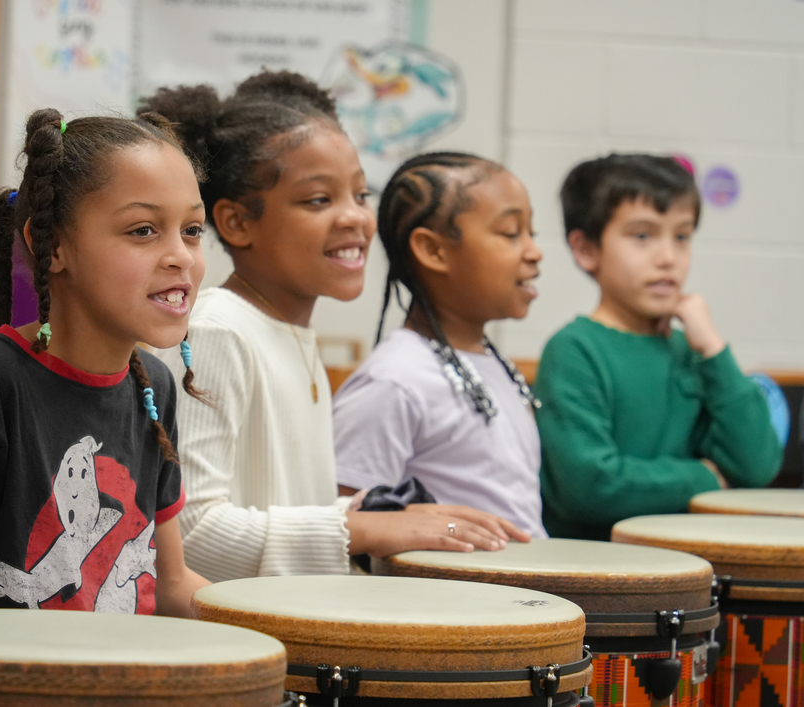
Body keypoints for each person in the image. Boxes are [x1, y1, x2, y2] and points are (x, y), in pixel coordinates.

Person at [143, 71, 527, 584]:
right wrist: (357, 529)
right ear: (237, 222)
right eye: (318, 200)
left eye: (361, 194)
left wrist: (384, 514)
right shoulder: (218, 331)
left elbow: (281, 504)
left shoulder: (288, 334)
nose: (355, 218)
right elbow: (191, 536)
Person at [0, 109, 210, 615]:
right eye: (143, 231)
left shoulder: (154, 386)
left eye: (190, 230)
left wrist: (270, 632)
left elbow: (169, 582)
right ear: (51, 245)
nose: (181, 256)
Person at [536, 153, 782, 540]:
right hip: (601, 578)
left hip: (691, 568)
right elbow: (591, 487)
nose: (668, 258)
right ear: (586, 250)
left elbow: (756, 466)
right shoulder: (574, 350)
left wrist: (714, 349)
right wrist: (703, 476)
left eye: (682, 237)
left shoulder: (692, 351)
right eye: (642, 236)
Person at [333, 152, 546, 538]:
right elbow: (344, 527)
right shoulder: (395, 380)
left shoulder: (488, 361)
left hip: (517, 594)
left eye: (533, 233)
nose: (534, 252)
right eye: (511, 233)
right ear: (433, 250)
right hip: (457, 595)